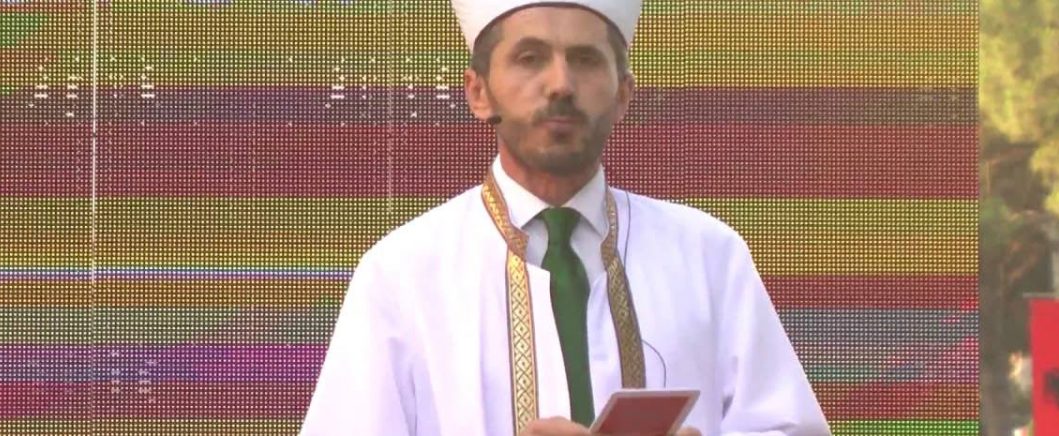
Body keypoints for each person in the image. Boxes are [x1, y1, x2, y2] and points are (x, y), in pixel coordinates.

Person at [298, 0, 831, 434]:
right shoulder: (403, 272)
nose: (560, 84)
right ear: (478, 92)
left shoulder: (708, 256)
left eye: (585, 59)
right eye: (530, 58)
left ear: (623, 95)